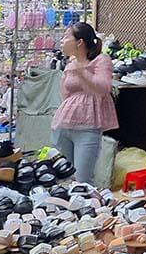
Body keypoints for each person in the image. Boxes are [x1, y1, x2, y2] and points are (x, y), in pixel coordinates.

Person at [50, 23, 117, 184]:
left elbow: (102, 87)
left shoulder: (101, 60)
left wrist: (81, 70)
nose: (62, 41)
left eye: (66, 37)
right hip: (63, 125)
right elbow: (65, 94)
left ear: (79, 42)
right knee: (63, 178)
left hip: (88, 127)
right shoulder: (69, 64)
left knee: (82, 180)